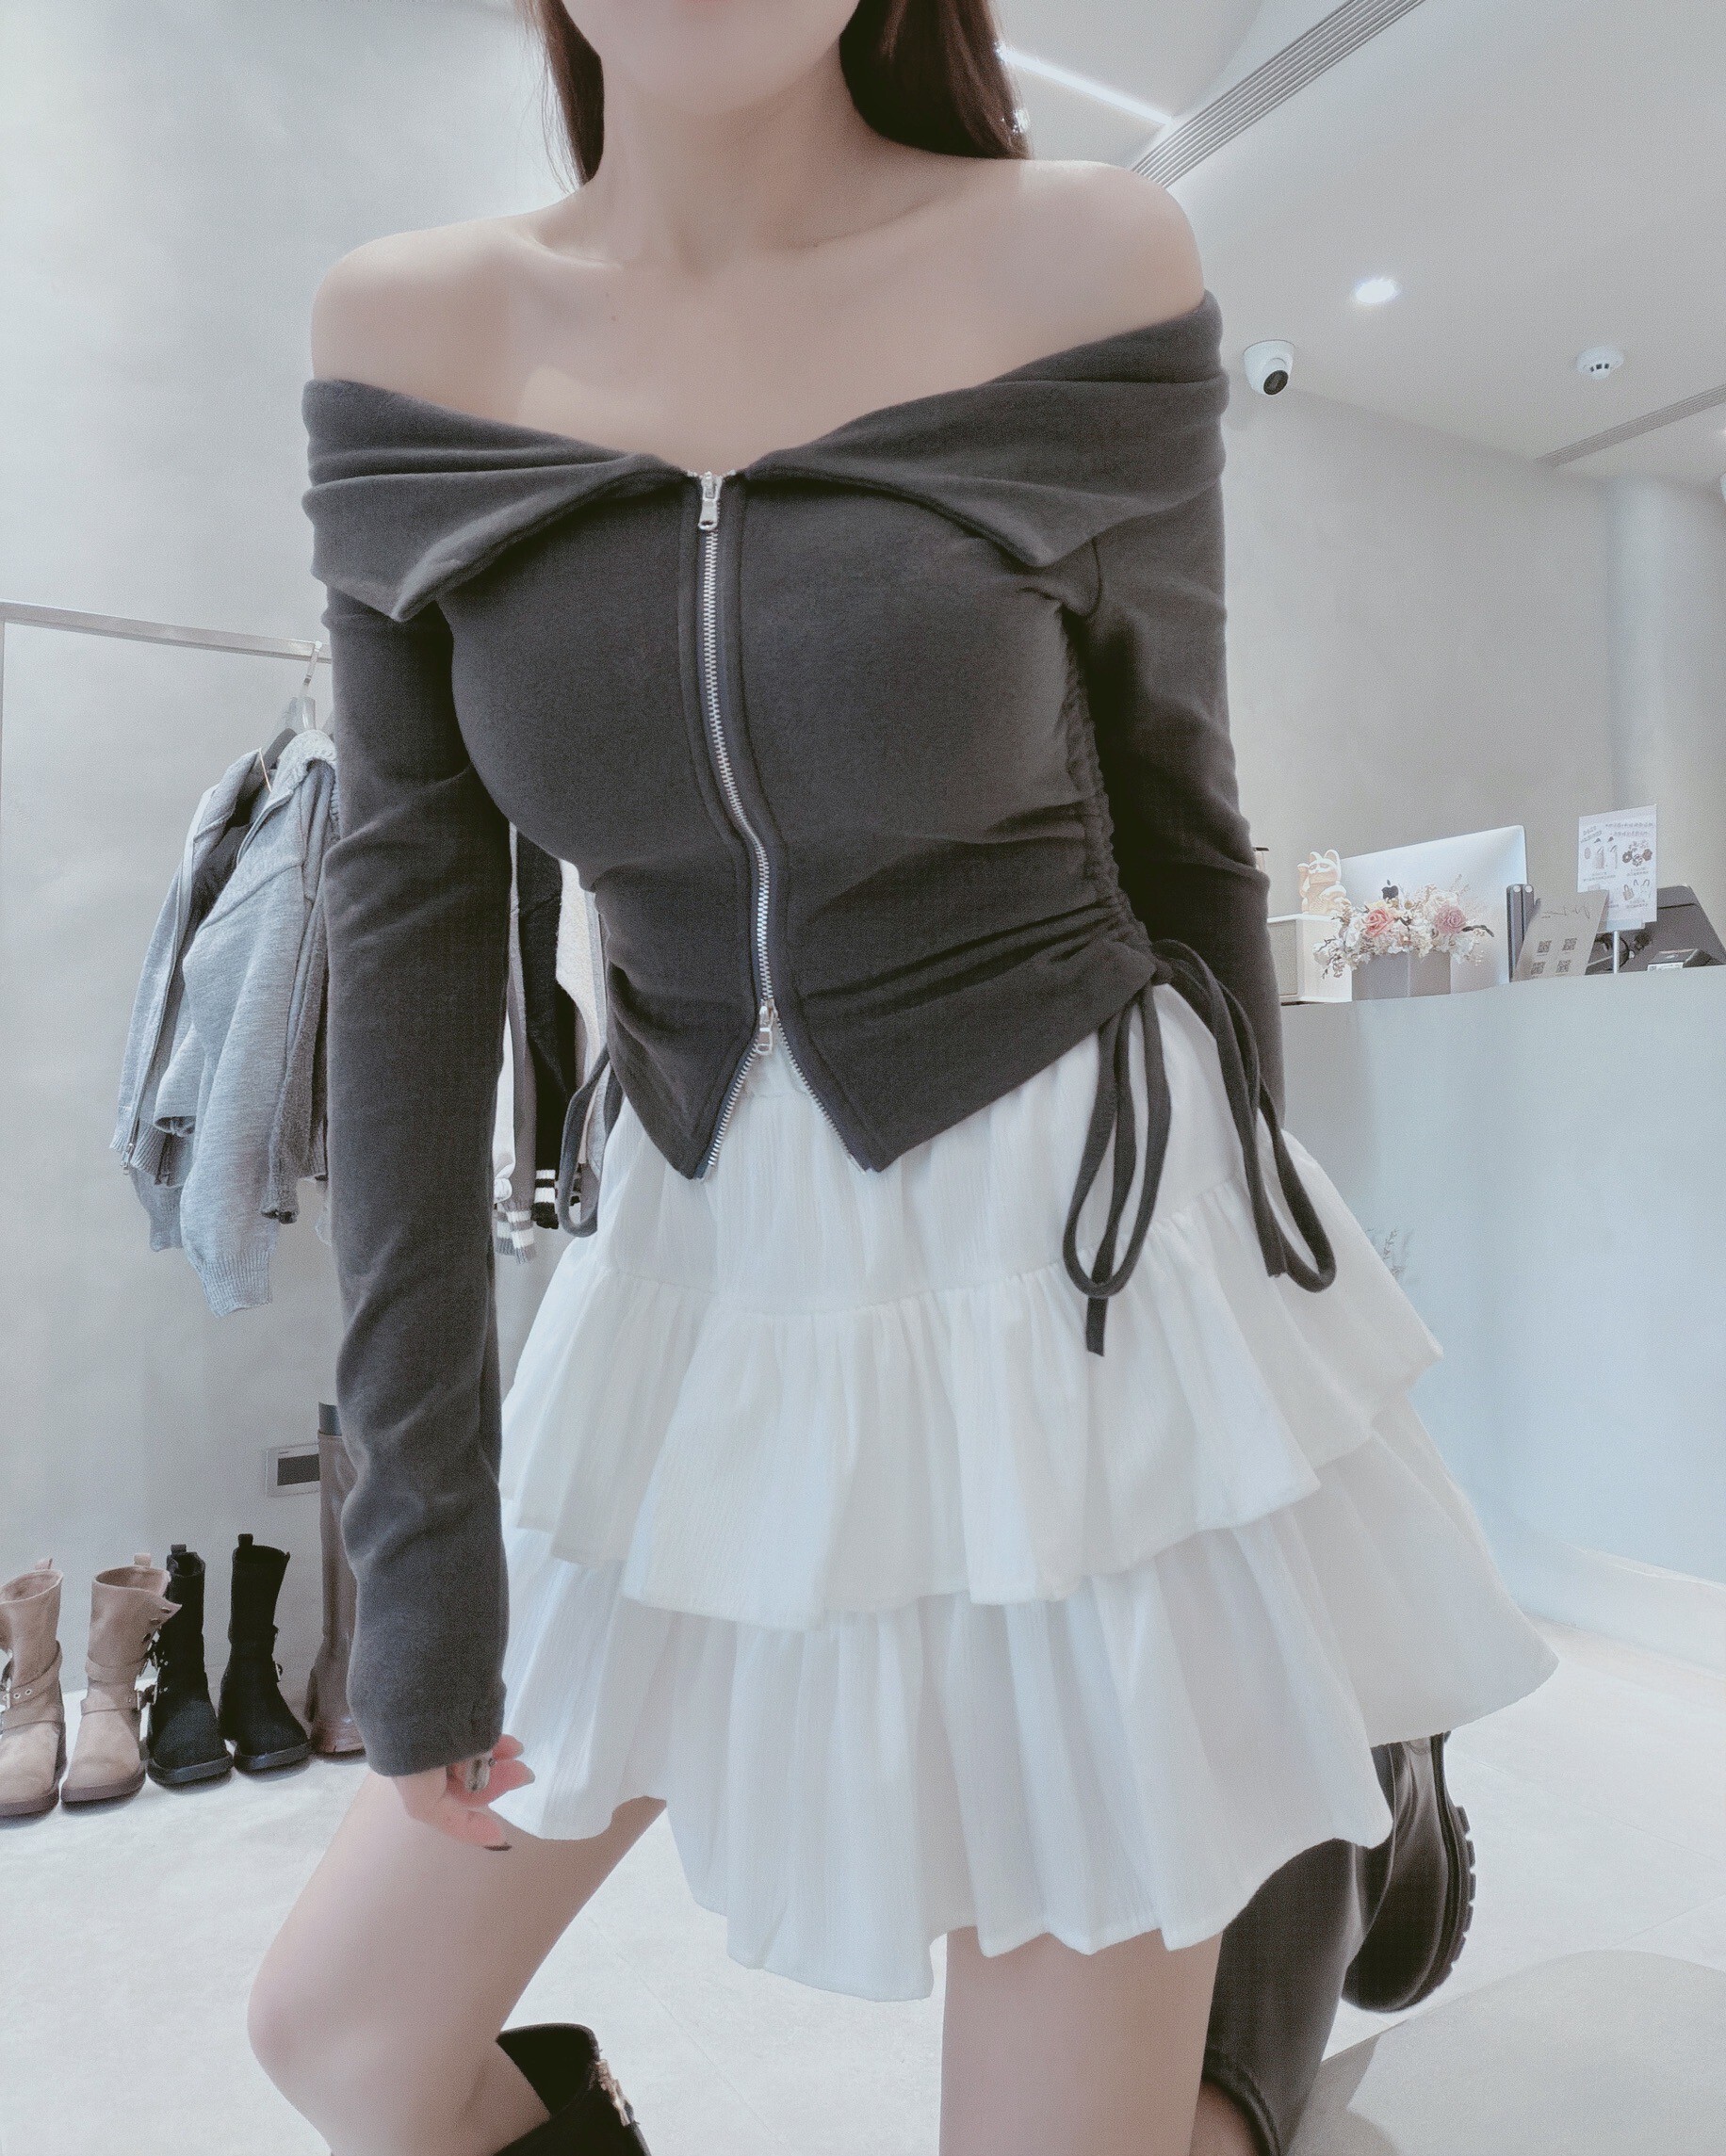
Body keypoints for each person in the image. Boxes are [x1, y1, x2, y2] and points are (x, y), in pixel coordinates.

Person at [248, 5, 1557, 2152]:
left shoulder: (1083, 260)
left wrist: (1255, 1432)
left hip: (1068, 1259)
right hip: (688, 1280)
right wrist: (419, 1560)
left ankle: (1312, 1843)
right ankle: (1312, 1796)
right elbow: (407, 970)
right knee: (343, 2043)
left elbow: (1187, 829)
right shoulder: (409, 337)